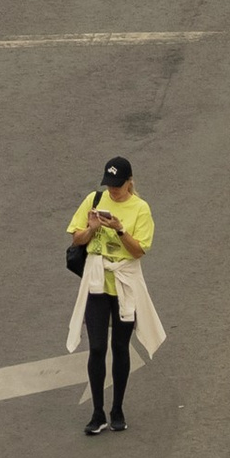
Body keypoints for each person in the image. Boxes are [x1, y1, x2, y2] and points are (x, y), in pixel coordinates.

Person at [68, 153, 154, 433]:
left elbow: (139, 251)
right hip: (97, 284)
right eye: (109, 184)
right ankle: (97, 413)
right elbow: (76, 238)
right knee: (96, 347)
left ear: (130, 182)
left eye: (117, 185)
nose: (112, 190)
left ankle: (117, 408)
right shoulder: (94, 200)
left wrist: (119, 230)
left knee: (119, 347)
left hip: (124, 284)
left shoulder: (141, 209)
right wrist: (91, 229)